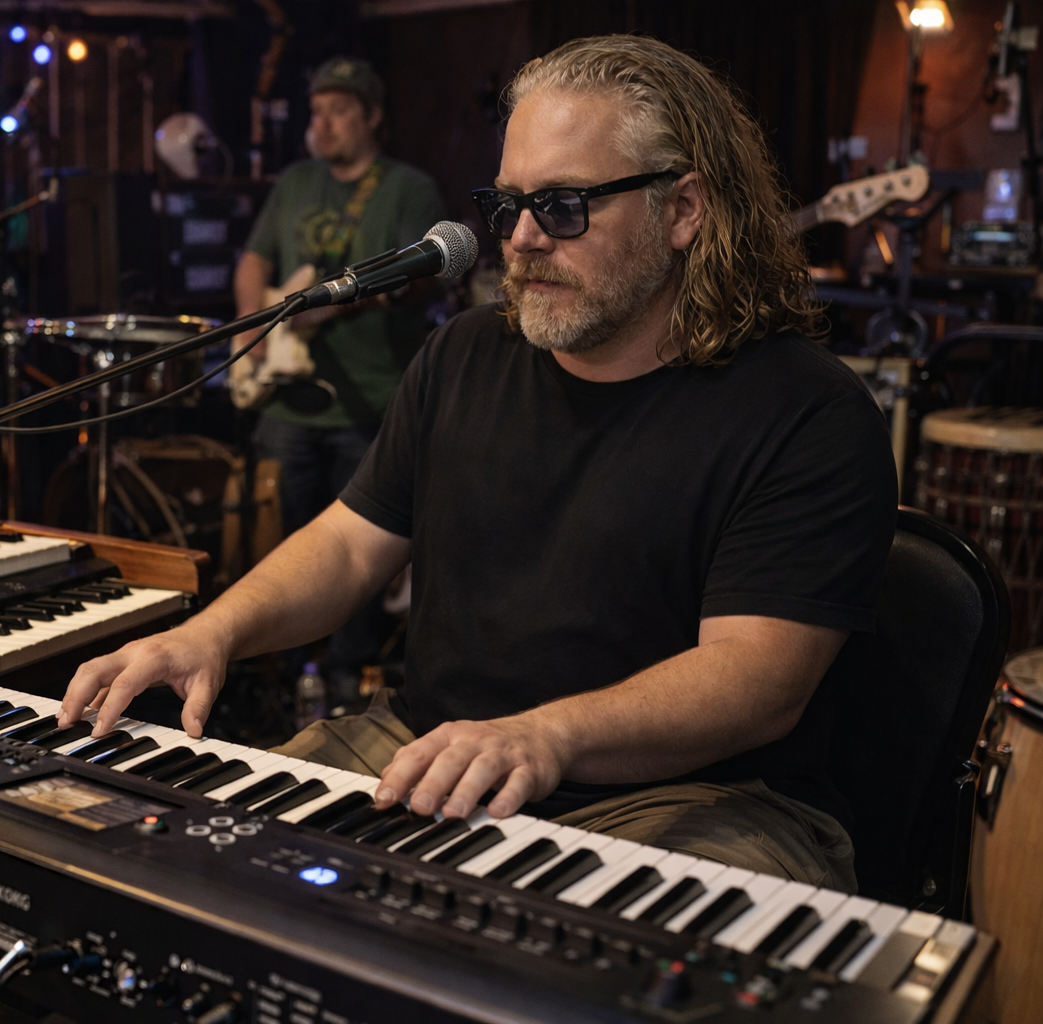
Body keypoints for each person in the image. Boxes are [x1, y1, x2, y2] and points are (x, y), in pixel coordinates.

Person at [59, 35, 895, 893]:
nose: (523, 239)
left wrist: (546, 735)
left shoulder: (806, 411)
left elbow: (757, 679)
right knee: (196, 869)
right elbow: (350, 546)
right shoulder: (465, 355)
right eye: (509, 204)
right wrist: (212, 632)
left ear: (684, 210)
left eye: (565, 206)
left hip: (693, 797)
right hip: (434, 750)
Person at [234, 56, 447, 694]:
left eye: (338, 110)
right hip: (288, 400)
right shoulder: (296, 181)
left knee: (360, 550)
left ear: (373, 116)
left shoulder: (409, 190)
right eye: (316, 110)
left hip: (371, 399)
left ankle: (346, 681)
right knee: (284, 541)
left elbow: (423, 278)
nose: (320, 124)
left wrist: (348, 303)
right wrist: (252, 326)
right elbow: (253, 258)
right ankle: (283, 672)